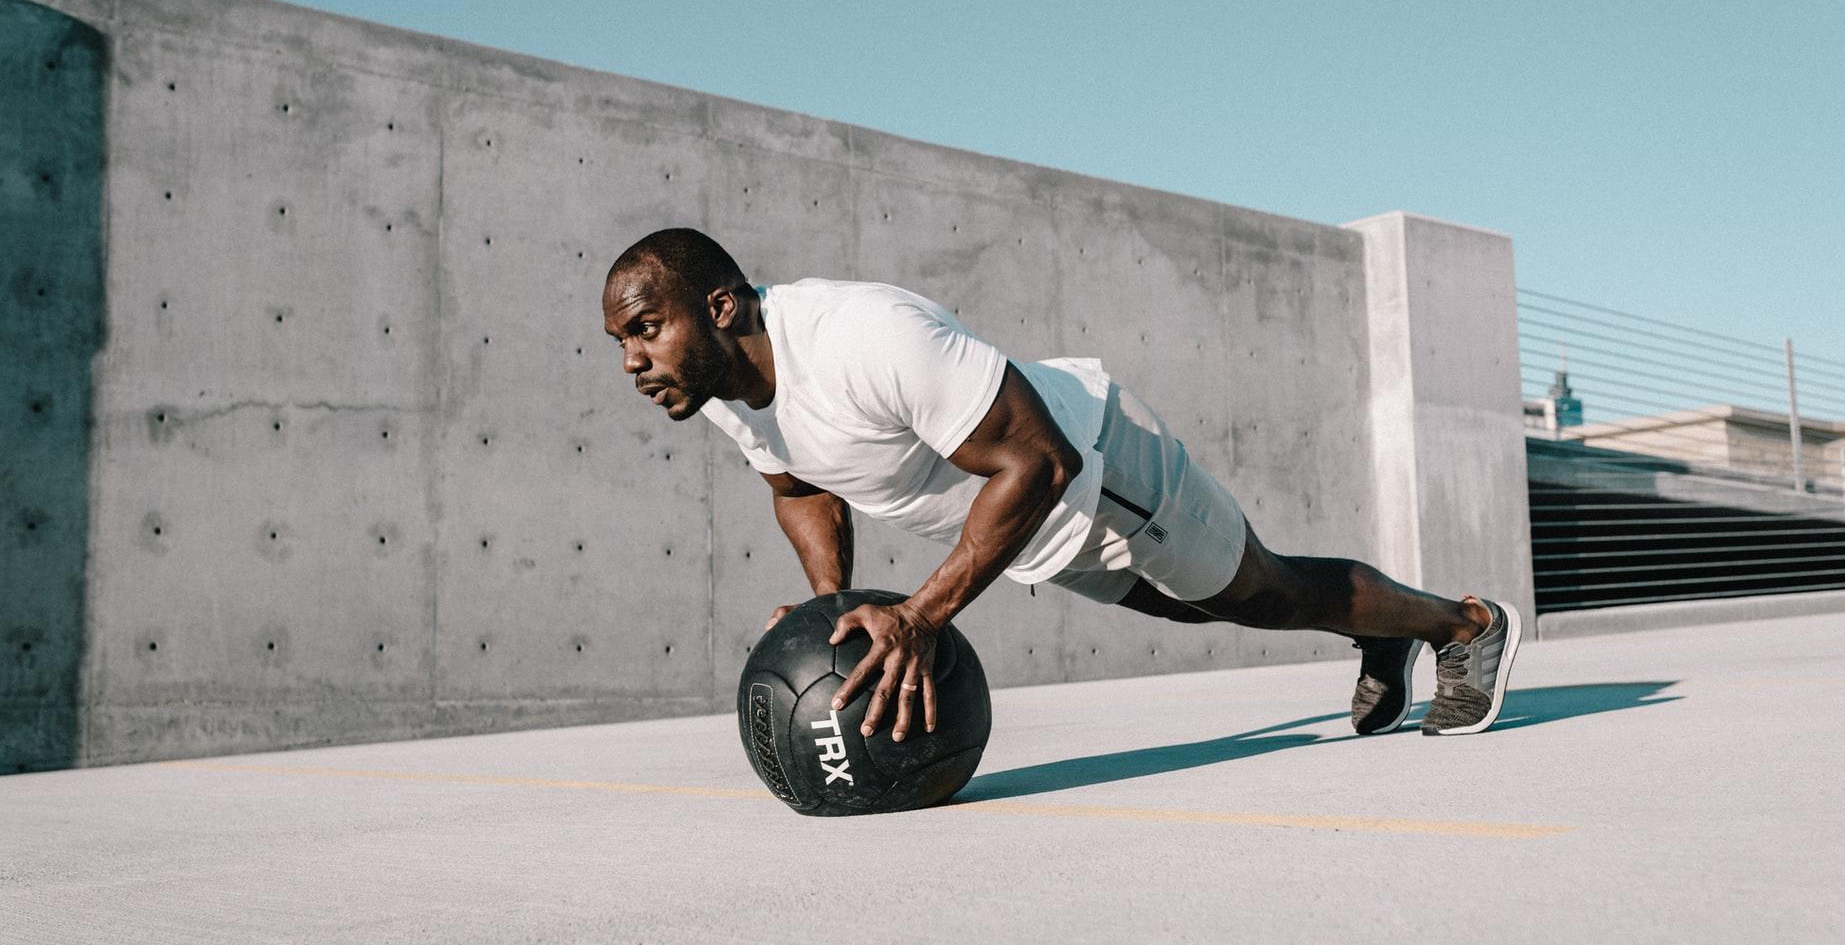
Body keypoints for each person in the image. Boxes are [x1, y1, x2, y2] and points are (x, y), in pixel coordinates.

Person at [602, 227, 1521, 746]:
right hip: (1028, 526)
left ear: (720, 308)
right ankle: (1376, 627)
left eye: (646, 330)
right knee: (1201, 609)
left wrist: (920, 619)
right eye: (622, 346)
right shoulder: (721, 387)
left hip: (1094, 467)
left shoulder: (860, 335)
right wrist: (833, 611)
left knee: (1263, 592)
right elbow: (798, 483)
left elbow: (1039, 463)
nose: (636, 362)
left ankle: (1464, 626)